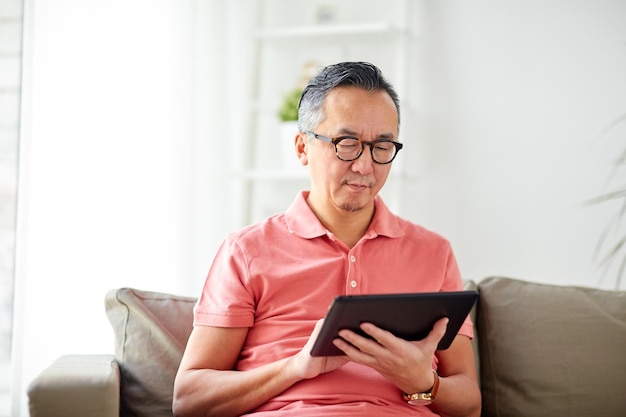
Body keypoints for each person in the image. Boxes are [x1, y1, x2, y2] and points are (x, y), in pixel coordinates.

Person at [173, 61, 481, 417]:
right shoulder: (245, 251)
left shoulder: (433, 253)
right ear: (303, 148)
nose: (365, 166)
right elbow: (189, 401)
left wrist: (422, 383)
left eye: (382, 147)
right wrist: (296, 366)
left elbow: (469, 405)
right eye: (347, 144)